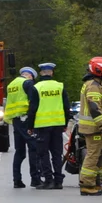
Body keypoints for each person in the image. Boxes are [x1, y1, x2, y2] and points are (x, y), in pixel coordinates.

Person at [27, 62, 72, 190]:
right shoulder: (59, 86)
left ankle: (48, 180)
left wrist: (30, 126)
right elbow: (66, 107)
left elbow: (33, 108)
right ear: (52, 72)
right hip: (57, 124)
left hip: (42, 125)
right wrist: (65, 123)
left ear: (41, 73)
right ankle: (58, 181)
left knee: (43, 153)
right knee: (57, 153)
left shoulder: (37, 87)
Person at [77, 56, 102, 196]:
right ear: (99, 71)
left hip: (98, 127)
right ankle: (87, 184)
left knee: (101, 155)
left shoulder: (97, 85)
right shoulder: (93, 86)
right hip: (94, 128)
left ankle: (96, 182)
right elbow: (95, 108)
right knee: (93, 155)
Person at [4, 66, 38, 188]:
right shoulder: (27, 83)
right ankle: (35, 178)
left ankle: (17, 180)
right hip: (26, 119)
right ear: (30, 76)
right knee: (33, 147)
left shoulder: (11, 85)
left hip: (16, 121)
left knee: (20, 152)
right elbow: (33, 102)